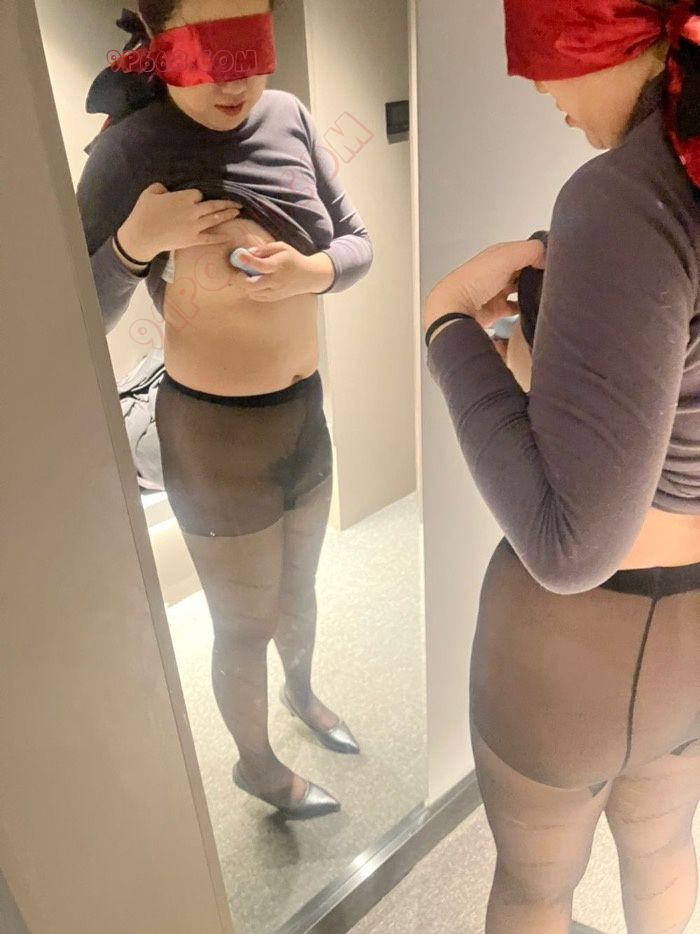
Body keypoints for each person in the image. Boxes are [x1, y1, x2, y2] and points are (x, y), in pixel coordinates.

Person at [423, 0, 700, 930]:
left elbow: (569, 545)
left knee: (536, 886)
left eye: (538, 42)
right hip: (691, 637)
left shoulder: (623, 195)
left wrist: (446, 324)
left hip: (568, 651)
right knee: (664, 853)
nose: (537, 83)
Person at [77, 0, 373, 820]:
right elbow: (74, 314)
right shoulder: (134, 149)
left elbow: (358, 242)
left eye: (253, 46)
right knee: (244, 624)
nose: (238, 80)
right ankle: (257, 767)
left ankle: (302, 694)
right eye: (211, 55)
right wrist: (136, 243)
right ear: (160, 44)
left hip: (304, 408)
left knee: (301, 589)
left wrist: (313, 273)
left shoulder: (290, 116)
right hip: (215, 436)